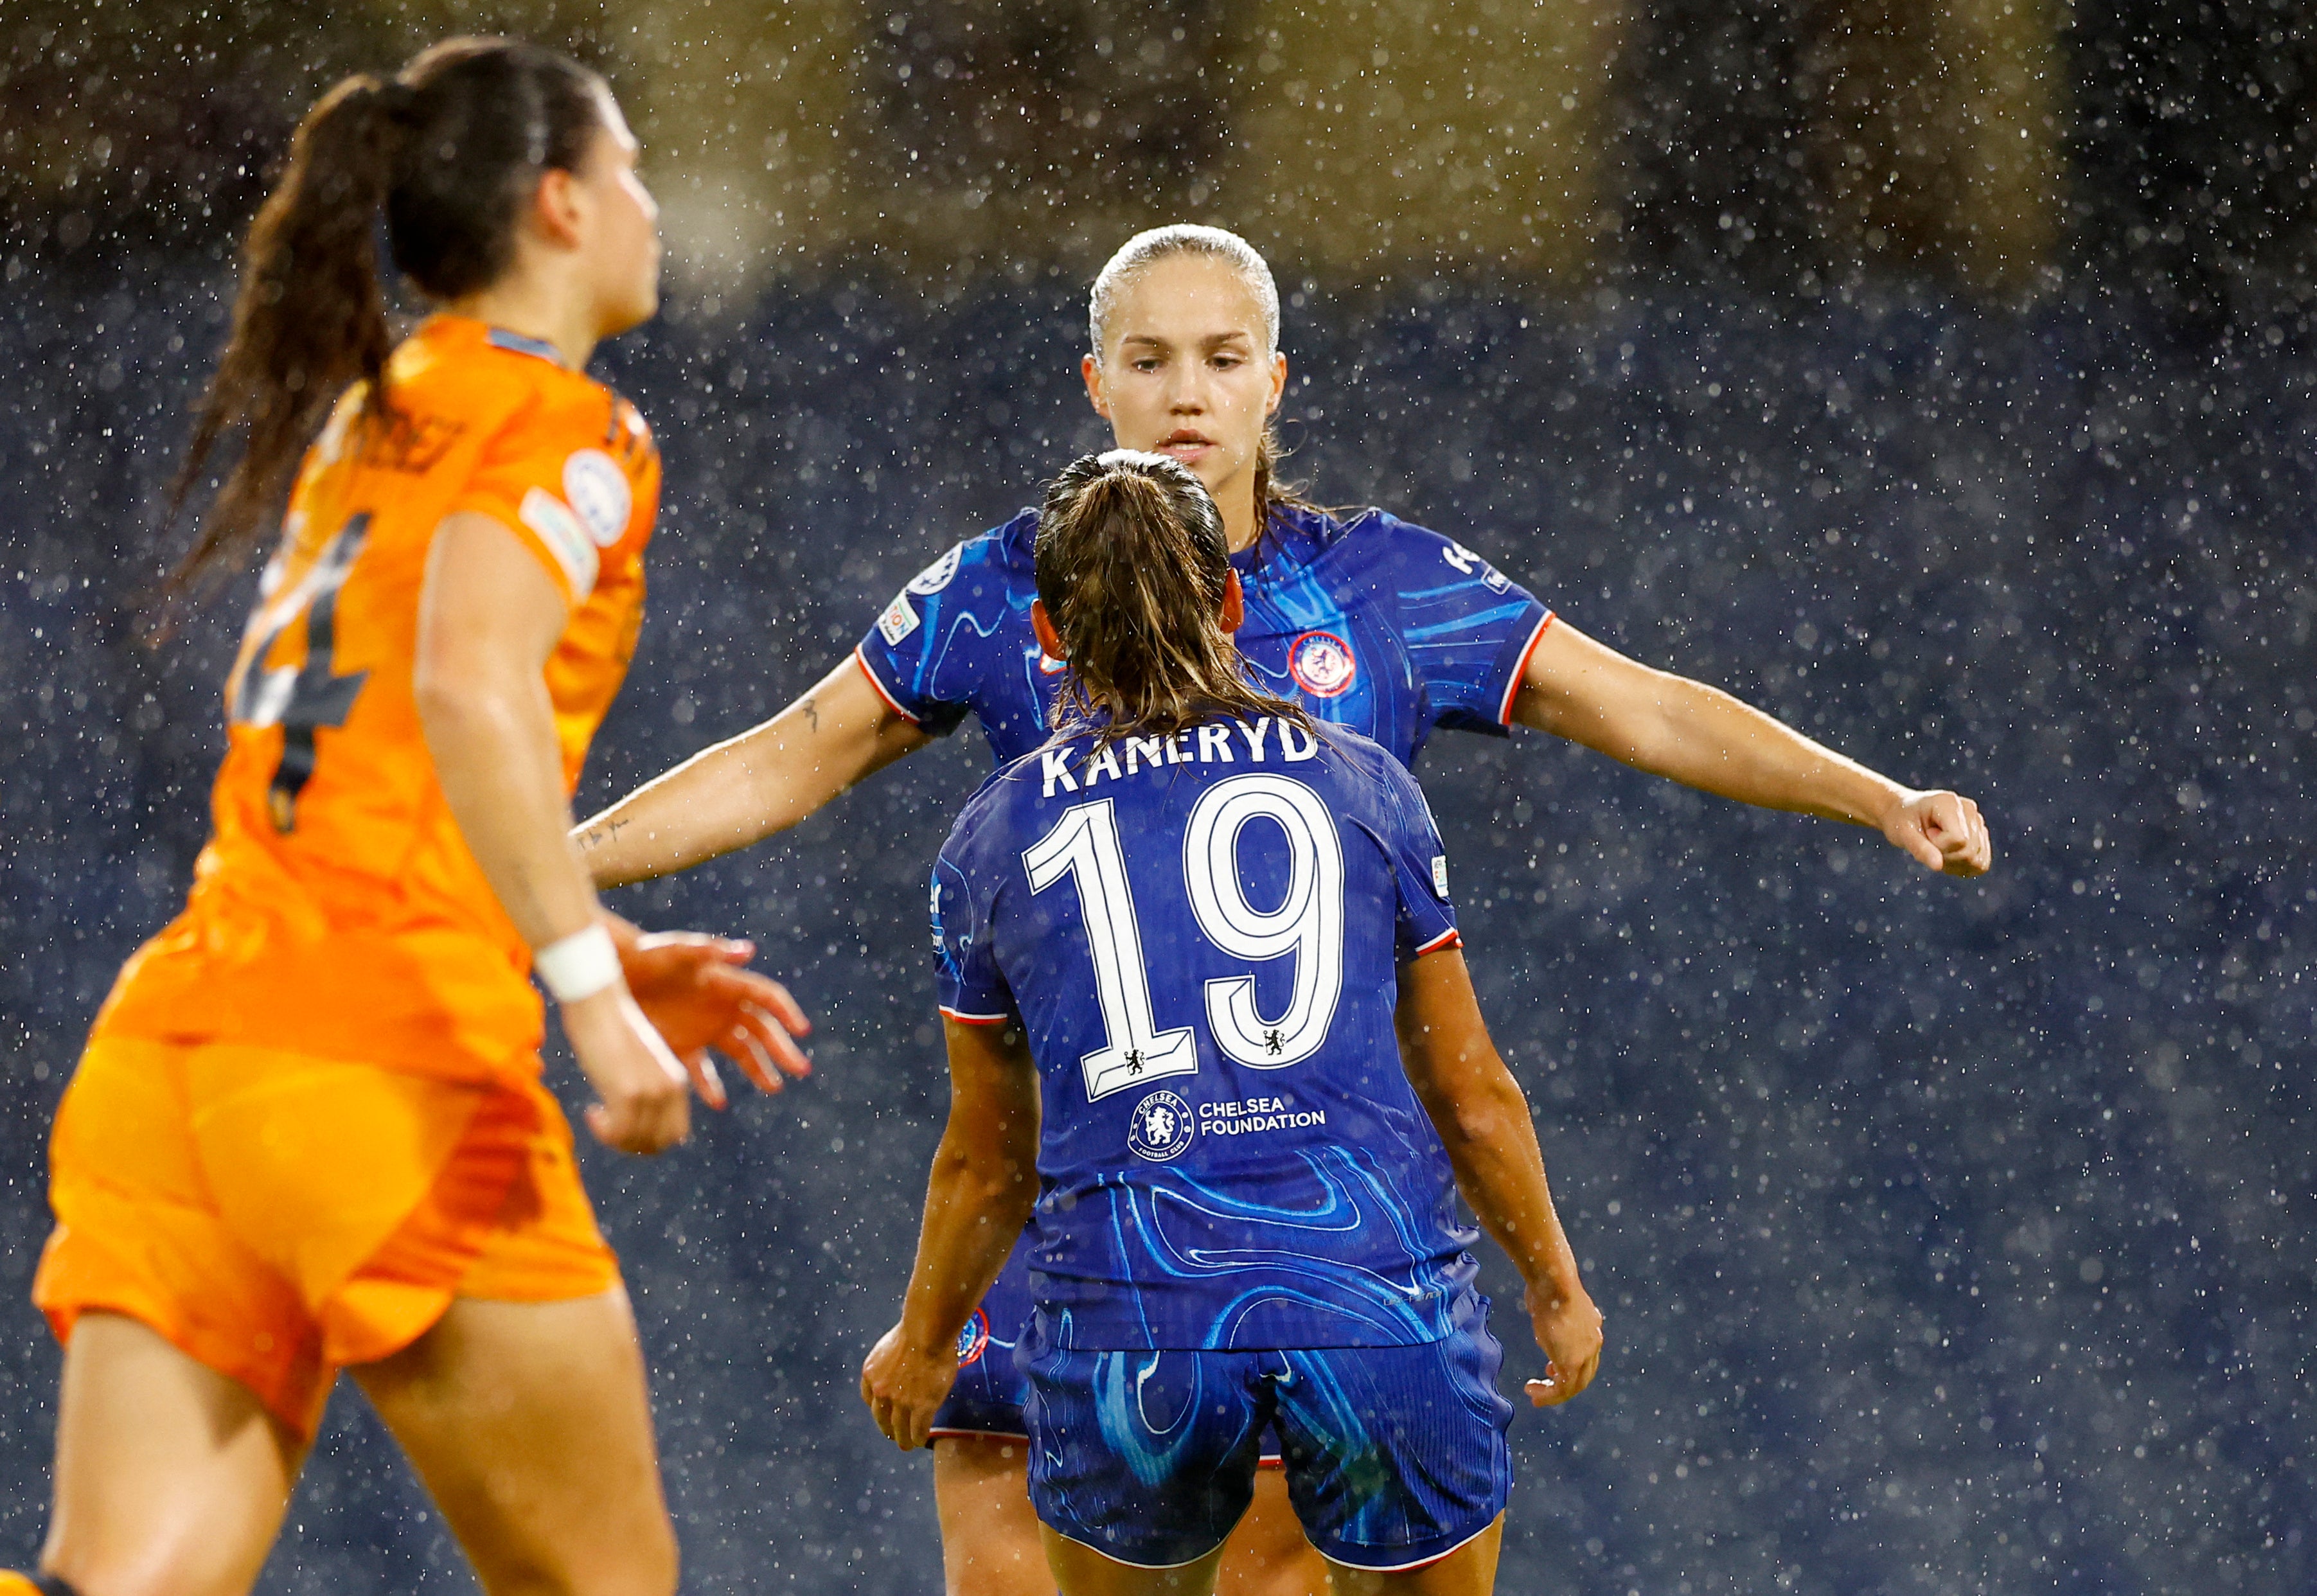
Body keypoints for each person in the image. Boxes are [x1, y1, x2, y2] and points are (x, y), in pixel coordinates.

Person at [575, 224, 1993, 1595]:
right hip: (1098, 1198)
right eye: (1148, 359)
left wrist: (1871, 794)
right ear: (1095, 384)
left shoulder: (1381, 586)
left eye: (1220, 356)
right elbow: (794, 748)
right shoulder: (1007, 584)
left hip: (1287, 1209)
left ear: (1275, 380)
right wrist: (555, 860)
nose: (1185, 391)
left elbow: (1637, 702)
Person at [3, 39, 809, 1596]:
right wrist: (582, 989)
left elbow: (376, 766)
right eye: (631, 169)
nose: (653, 202)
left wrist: (576, 933)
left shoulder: (373, 418)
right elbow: (462, 682)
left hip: (187, 1058)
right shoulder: (573, 428)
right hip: (379, 1078)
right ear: (563, 206)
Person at [860, 450, 1603, 1596]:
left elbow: (985, 1161)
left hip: (1136, 1327)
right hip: (1374, 1305)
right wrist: (1551, 1280)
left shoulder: (994, 837)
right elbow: (1470, 1091)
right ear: (1231, 602)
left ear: (1049, 635)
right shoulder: (1361, 785)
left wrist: (921, 1342)